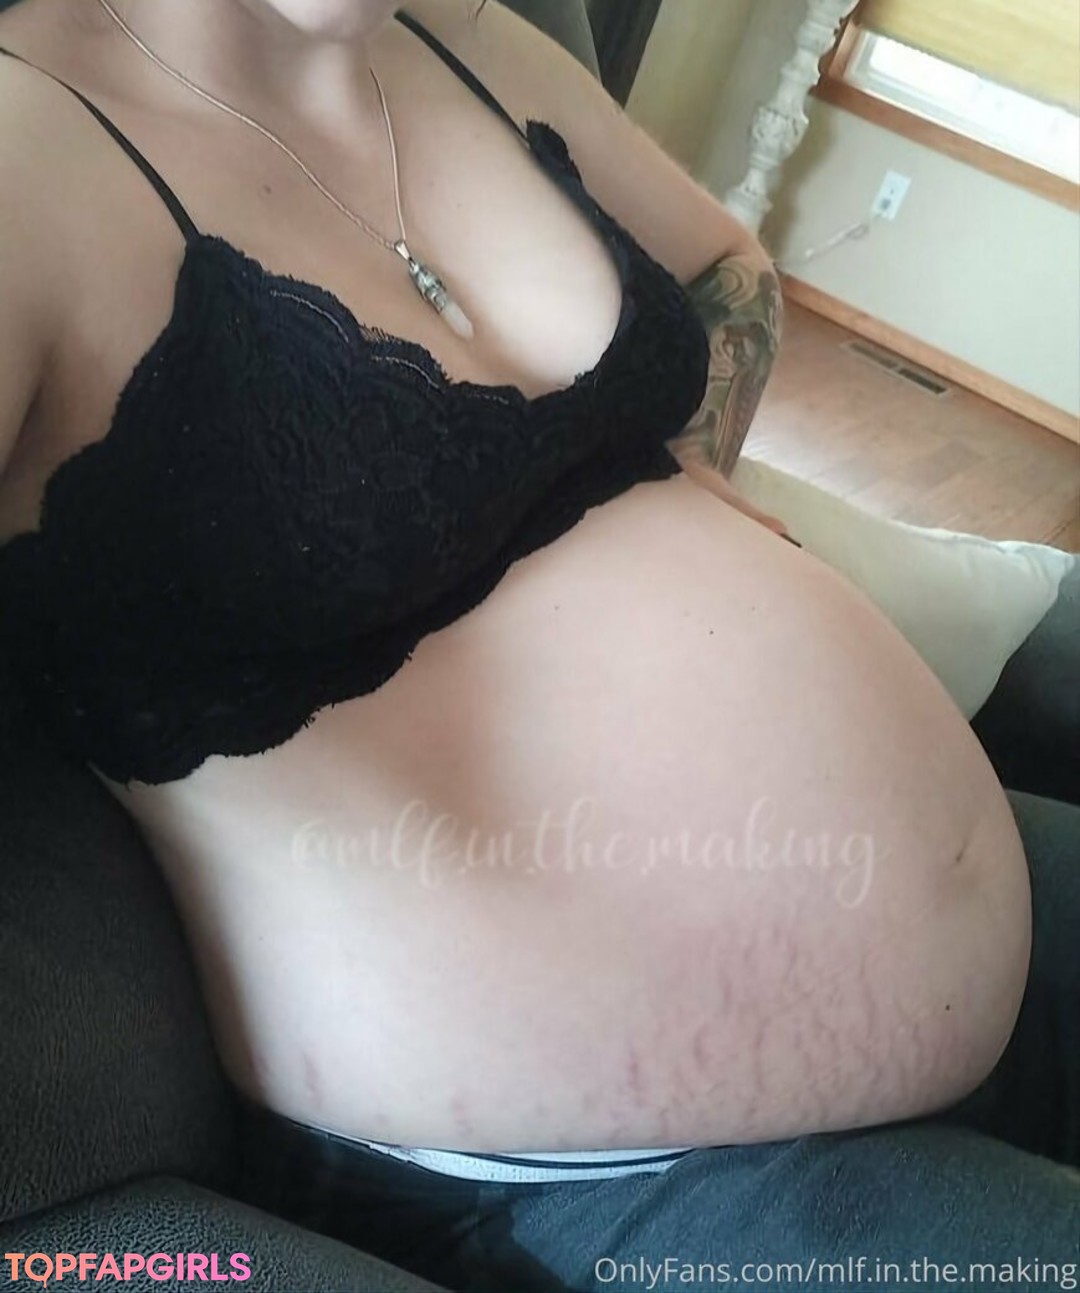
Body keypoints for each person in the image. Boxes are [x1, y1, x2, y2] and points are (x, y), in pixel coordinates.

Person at [0, 1, 1075, 1289]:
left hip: (956, 914)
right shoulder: (23, 160)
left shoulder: (465, 41)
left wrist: (682, 491)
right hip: (568, 1168)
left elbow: (725, 269)